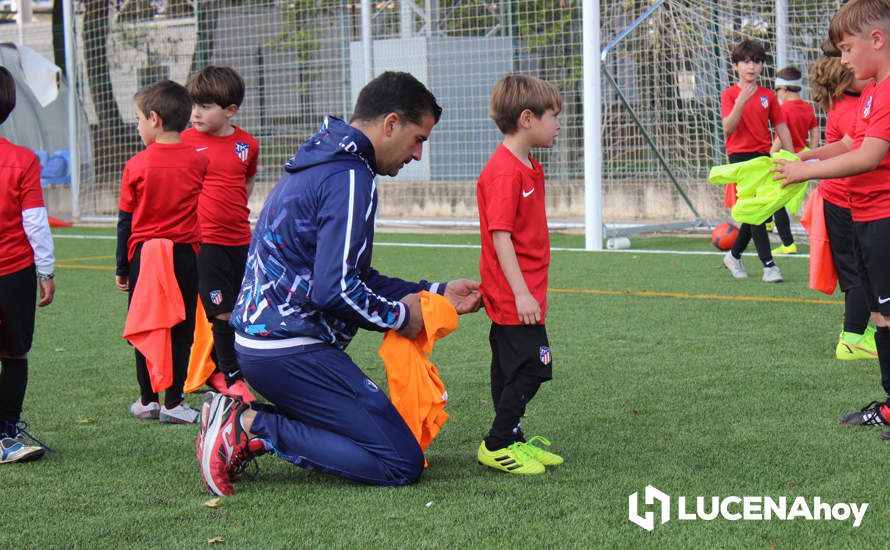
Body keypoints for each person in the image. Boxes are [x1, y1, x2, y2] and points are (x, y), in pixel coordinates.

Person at [196, 71, 482, 496]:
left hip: (264, 344)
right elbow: (334, 291)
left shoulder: (321, 158)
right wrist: (403, 317)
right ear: (390, 124)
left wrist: (434, 292)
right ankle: (248, 425)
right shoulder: (351, 176)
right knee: (399, 461)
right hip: (289, 351)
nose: (418, 154)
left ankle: (245, 418)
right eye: (418, 138)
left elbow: (352, 276)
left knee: (377, 436)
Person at [773, 0, 890, 436]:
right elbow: (847, 145)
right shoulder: (873, 90)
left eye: (846, 48)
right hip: (867, 218)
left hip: (884, 218)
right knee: (881, 316)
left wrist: (806, 172)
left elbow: (869, 156)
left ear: (876, 40)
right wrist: (803, 155)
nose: (842, 60)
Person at [475, 75, 564, 475]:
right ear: (527, 118)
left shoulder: (529, 166)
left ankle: (512, 438)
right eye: (553, 116)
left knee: (509, 369)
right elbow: (500, 237)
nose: (559, 124)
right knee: (534, 365)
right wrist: (522, 293)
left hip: (525, 291)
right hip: (516, 295)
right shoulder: (505, 173)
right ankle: (496, 444)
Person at [116, 80, 208, 424]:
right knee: (181, 329)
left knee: (146, 323)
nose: (138, 125)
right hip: (184, 255)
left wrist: (122, 267)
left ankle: (147, 400)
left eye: (139, 118)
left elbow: (125, 222)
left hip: (144, 257)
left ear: (154, 119)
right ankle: (174, 403)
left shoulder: (136, 165)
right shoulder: (199, 162)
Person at [183, 66, 258, 400]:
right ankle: (232, 377)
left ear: (230, 111)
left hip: (241, 241)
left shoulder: (247, 145)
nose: (196, 113)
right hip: (204, 242)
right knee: (222, 312)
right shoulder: (184, 143)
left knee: (242, 311)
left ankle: (218, 369)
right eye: (194, 104)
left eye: (206, 106)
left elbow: (246, 183)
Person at [808, 45, 876, 360]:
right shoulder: (854, 107)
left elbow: (844, 145)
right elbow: (855, 152)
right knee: (858, 271)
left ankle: (865, 332)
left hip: (847, 198)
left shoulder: (860, 101)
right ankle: (851, 339)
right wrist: (804, 165)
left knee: (864, 269)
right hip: (848, 199)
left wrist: (804, 159)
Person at [0, 66, 54, 463]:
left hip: (14, 270)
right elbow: (34, 220)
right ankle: (6, 433)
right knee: (14, 354)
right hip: (14, 272)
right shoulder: (21, 160)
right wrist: (46, 270)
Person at [720, 39, 794, 282]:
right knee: (758, 211)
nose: (751, 66)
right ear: (735, 66)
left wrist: (792, 157)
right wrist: (741, 101)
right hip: (739, 159)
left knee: (759, 211)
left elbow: (781, 126)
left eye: (757, 62)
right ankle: (769, 266)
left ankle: (734, 255)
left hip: (763, 158)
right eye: (746, 61)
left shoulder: (768, 96)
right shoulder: (729, 95)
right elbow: (728, 128)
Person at [768, 65, 819, 255]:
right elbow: (815, 130)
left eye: (777, 90)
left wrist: (771, 155)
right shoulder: (808, 107)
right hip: (804, 160)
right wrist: (812, 152)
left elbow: (782, 135)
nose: (777, 94)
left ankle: (788, 243)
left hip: (787, 160)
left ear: (784, 89)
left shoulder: (783, 110)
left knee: (776, 202)